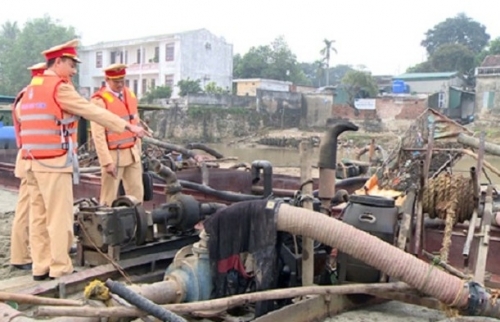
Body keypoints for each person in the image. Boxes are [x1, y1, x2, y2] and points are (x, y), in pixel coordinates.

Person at [18, 39, 149, 281]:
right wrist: (127, 126)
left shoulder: (31, 89)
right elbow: (91, 112)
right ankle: (59, 268)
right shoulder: (59, 88)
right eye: (71, 65)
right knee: (59, 217)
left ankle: (40, 266)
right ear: (58, 62)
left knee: (38, 217)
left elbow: (21, 119)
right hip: (53, 163)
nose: (74, 71)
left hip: (31, 161)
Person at [90, 64, 144, 206]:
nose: (120, 84)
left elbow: (135, 122)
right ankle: (106, 224)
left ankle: (136, 224)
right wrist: (106, 161)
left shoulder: (129, 95)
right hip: (114, 155)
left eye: (122, 81)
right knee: (109, 196)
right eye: (116, 81)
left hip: (132, 152)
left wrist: (138, 150)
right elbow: (98, 135)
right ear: (107, 79)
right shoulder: (99, 101)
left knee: (137, 193)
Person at [9, 62, 46, 271]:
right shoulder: (28, 99)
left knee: (32, 208)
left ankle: (24, 253)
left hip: (33, 157)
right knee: (26, 209)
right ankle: (20, 255)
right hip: (30, 158)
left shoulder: (27, 97)